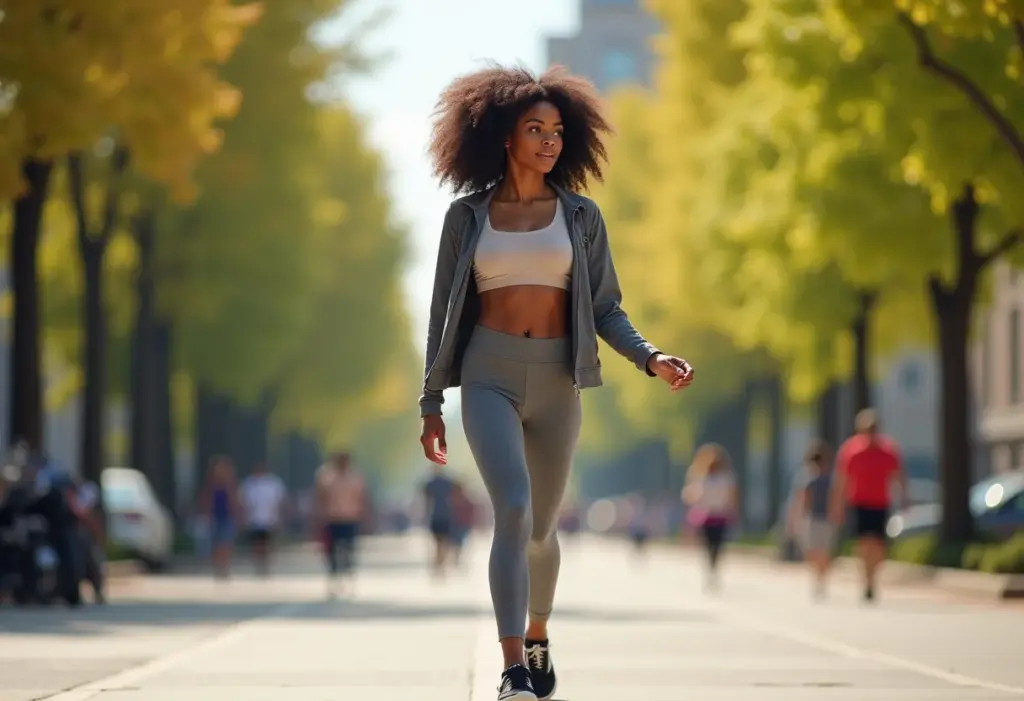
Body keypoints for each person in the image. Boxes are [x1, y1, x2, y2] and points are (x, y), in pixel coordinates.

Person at [418, 64, 695, 701]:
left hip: (557, 381)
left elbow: (605, 309)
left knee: (542, 527)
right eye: (534, 128)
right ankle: (512, 667)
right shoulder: (467, 217)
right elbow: (442, 316)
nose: (549, 140)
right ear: (503, 138)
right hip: (487, 375)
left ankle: (538, 631)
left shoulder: (581, 216)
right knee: (510, 508)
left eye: (558, 130)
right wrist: (431, 401)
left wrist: (649, 357)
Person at [830, 409, 907, 602]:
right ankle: (867, 580)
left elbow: (898, 476)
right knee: (864, 542)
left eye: (873, 429)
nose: (870, 432)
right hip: (859, 502)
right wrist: (837, 506)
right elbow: (841, 480)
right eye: (867, 429)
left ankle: (873, 575)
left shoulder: (888, 450)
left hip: (881, 503)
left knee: (879, 546)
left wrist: (905, 498)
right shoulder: (851, 450)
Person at [682, 444, 737, 593]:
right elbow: (692, 496)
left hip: (720, 516)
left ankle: (713, 567)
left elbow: (732, 497)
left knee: (717, 546)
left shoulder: (726, 478)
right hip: (707, 517)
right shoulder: (701, 477)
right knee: (709, 546)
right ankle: (711, 568)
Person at [787, 440, 835, 599]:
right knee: (813, 550)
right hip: (811, 518)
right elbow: (800, 499)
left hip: (826, 518)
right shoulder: (806, 477)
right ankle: (818, 576)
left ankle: (821, 578)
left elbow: (836, 498)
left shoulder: (832, 478)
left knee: (824, 550)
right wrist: (795, 519)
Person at [314, 452, 365, 597]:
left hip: (350, 518)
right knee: (331, 553)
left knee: (349, 550)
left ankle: (349, 581)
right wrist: (318, 517)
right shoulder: (326, 477)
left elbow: (361, 497)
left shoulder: (355, 478)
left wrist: (364, 516)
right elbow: (320, 497)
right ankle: (333, 582)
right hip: (332, 519)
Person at [239, 462, 287, 577]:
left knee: (267, 543)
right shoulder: (248, 483)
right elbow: (243, 502)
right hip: (254, 519)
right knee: (257, 543)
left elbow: (280, 502)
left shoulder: (273, 483)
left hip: (270, 520)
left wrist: (280, 517)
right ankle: (259, 564)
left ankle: (266, 564)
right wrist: (243, 518)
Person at [198, 457, 239, 580]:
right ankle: (218, 566)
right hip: (215, 516)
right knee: (216, 543)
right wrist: (206, 514)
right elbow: (205, 501)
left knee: (226, 542)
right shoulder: (211, 485)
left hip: (227, 516)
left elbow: (234, 502)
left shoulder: (230, 485)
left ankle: (225, 565)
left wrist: (238, 515)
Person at [422, 464, 457, 576]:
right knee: (444, 542)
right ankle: (440, 564)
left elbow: (426, 501)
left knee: (437, 542)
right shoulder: (449, 483)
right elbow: (455, 498)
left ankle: (438, 564)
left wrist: (425, 515)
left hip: (435, 515)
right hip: (446, 515)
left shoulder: (429, 484)